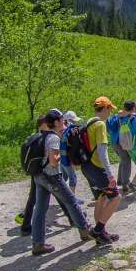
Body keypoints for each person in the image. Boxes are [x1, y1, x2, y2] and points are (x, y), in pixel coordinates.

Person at [31, 109, 93, 255]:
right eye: (62, 120)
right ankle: (85, 231)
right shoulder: (53, 138)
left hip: (39, 176)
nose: (63, 122)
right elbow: (53, 161)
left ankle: (38, 243)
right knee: (71, 202)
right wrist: (60, 154)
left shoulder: (41, 135)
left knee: (40, 210)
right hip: (52, 176)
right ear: (57, 122)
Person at [16, 115, 77, 235]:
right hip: (47, 173)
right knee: (60, 196)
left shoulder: (36, 137)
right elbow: (53, 159)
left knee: (35, 199)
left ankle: (26, 226)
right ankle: (73, 219)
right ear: (42, 125)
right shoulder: (46, 137)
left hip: (37, 172)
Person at [79, 96, 122, 245]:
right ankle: (97, 230)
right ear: (104, 108)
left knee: (101, 198)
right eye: (109, 109)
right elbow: (103, 153)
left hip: (87, 167)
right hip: (98, 168)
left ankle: (101, 234)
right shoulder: (100, 125)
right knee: (116, 198)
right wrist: (110, 174)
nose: (110, 112)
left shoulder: (88, 123)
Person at [59, 111, 81, 196]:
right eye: (73, 120)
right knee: (73, 179)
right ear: (68, 120)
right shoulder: (70, 132)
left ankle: (62, 196)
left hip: (62, 159)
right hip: (67, 160)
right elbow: (73, 148)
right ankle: (72, 198)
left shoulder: (62, 131)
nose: (75, 122)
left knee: (63, 178)